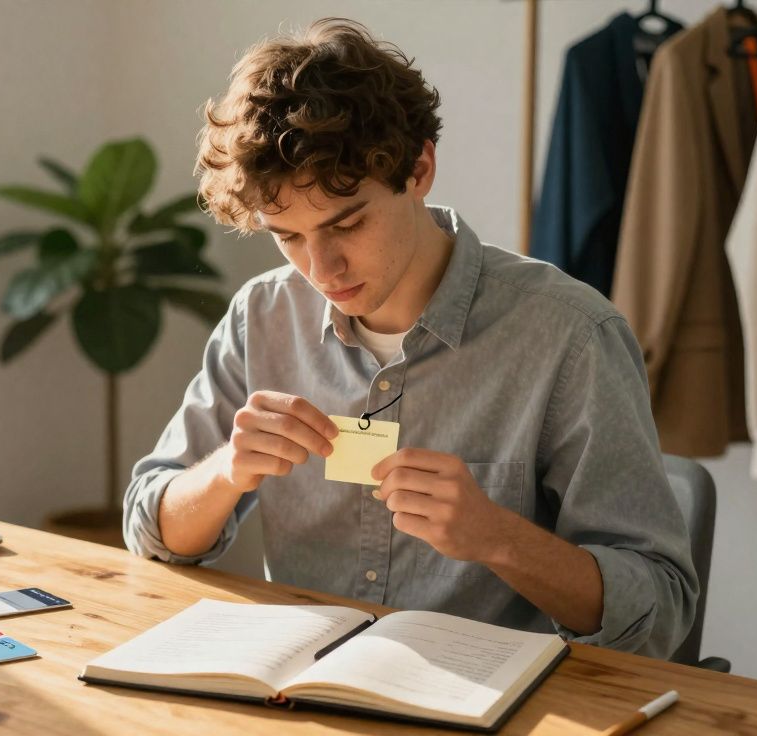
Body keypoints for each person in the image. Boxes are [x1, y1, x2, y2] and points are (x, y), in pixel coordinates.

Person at [122, 17, 697, 659]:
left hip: (503, 706)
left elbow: (662, 608)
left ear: (419, 167)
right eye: (288, 237)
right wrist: (227, 471)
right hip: (301, 697)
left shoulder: (570, 336)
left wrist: (499, 538)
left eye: (348, 222)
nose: (322, 269)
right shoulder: (261, 318)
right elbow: (152, 532)